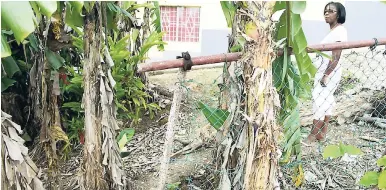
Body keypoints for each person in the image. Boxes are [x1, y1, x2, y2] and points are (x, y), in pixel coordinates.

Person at [307, 2, 347, 143]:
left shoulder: (339, 31)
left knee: (320, 102)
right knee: (327, 101)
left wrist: (326, 75)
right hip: (328, 72)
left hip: (329, 73)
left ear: (339, 14)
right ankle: (322, 133)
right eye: (325, 11)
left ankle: (312, 135)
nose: (327, 13)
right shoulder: (334, 31)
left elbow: (336, 56)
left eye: (331, 11)